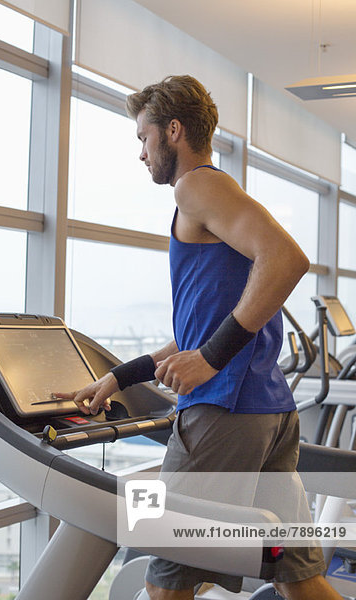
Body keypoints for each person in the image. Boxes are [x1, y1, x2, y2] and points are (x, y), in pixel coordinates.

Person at [56, 76, 343, 600]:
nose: (141, 154)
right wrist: (119, 378)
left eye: (143, 139)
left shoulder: (196, 186)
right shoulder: (213, 197)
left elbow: (287, 260)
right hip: (270, 416)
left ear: (173, 131)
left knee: (166, 584)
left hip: (222, 417)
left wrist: (210, 360)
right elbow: (191, 336)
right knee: (299, 580)